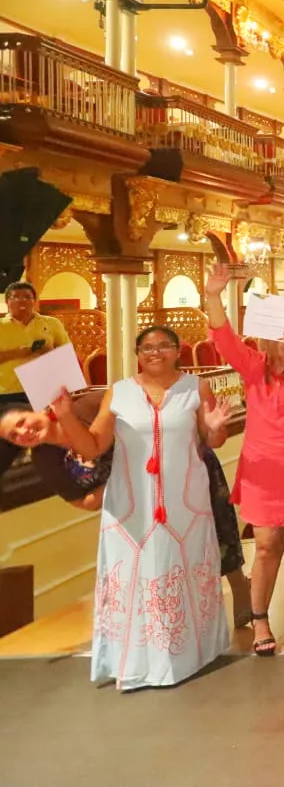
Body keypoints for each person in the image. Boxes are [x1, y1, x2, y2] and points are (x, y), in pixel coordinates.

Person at [59, 325, 234, 689]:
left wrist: (216, 427)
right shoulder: (119, 392)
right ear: (137, 354)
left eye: (164, 346)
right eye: (147, 348)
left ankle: (190, 655)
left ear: (177, 351)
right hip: (130, 505)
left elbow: (210, 439)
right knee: (136, 575)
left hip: (185, 503)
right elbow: (92, 447)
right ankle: (136, 663)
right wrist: (65, 416)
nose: (155, 352)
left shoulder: (194, 387)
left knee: (180, 571)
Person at [0, 389, 251, 630]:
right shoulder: (44, 459)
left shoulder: (85, 408)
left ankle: (239, 587)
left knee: (216, 535)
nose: (24, 432)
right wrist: (122, 480)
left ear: (34, 409)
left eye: (22, 421)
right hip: (134, 503)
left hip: (177, 468)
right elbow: (81, 501)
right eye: (15, 435)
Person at [204, 264, 284, 656]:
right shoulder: (254, 367)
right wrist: (214, 295)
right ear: (269, 338)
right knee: (265, 545)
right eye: (283, 334)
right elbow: (223, 337)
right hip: (264, 471)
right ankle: (259, 617)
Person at [0, 281, 71, 482]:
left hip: (42, 389)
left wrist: (50, 353)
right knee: (12, 436)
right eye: (16, 297)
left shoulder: (51, 323)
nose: (22, 301)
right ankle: (12, 478)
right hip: (7, 390)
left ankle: (46, 476)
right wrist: (19, 352)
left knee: (43, 434)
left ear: (34, 301)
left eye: (27, 297)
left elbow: (65, 353)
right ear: (7, 302)